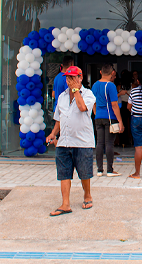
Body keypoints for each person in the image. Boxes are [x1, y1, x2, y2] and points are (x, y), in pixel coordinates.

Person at [46, 66, 96, 216]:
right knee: (64, 173)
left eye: (73, 78)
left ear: (80, 78)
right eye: (68, 78)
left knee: (84, 173)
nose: (70, 81)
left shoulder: (88, 94)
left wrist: (76, 91)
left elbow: (82, 108)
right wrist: (53, 134)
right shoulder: (61, 97)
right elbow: (59, 119)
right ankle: (65, 204)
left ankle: (87, 195)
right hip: (64, 142)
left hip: (82, 141)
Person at [91, 64, 124, 177]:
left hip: (98, 117)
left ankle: (100, 170)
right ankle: (110, 169)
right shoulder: (110, 86)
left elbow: (93, 103)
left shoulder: (95, 85)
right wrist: (120, 121)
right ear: (112, 73)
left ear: (101, 72)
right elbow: (114, 105)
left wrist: (96, 114)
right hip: (110, 117)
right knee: (109, 143)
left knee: (99, 143)